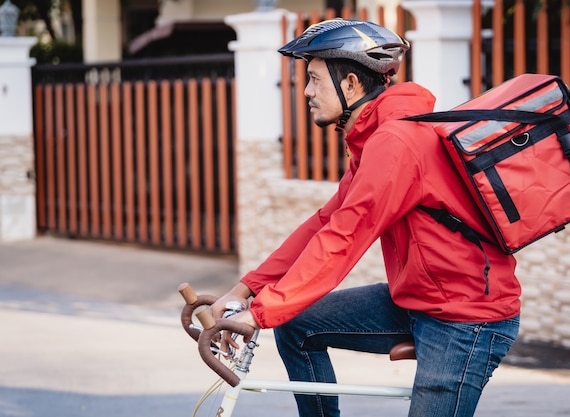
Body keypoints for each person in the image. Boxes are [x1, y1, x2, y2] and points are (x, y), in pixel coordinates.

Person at [211, 18, 521, 417]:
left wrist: (259, 313)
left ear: (352, 84)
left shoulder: (396, 142)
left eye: (314, 79)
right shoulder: (376, 139)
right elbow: (325, 222)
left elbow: (343, 239)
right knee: (297, 325)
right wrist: (247, 289)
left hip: (465, 318)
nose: (306, 92)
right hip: (419, 300)